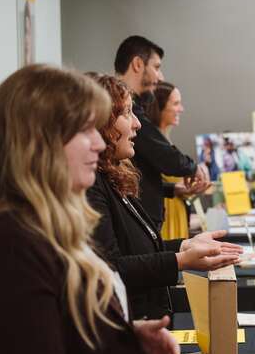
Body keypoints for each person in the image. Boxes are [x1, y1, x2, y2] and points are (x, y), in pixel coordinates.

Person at [0, 64, 184, 354]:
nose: (99, 144)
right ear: (40, 142)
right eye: (85, 130)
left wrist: (126, 337)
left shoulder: (46, 224)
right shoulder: (7, 246)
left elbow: (50, 329)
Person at [86, 74, 240, 323]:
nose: (137, 124)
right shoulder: (92, 186)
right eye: (127, 113)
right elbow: (112, 269)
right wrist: (180, 259)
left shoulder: (112, 178)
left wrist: (184, 245)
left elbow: (137, 249)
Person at [114, 35, 208, 231]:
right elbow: (162, 154)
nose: (160, 77)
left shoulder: (138, 107)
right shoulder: (121, 105)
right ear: (138, 64)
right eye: (156, 67)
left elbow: (138, 174)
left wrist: (173, 188)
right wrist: (192, 168)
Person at [145, 81, 211, 240]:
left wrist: (189, 189)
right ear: (158, 107)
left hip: (177, 214)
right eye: (176, 103)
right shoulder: (155, 147)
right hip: (166, 217)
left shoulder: (166, 142)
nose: (181, 109)